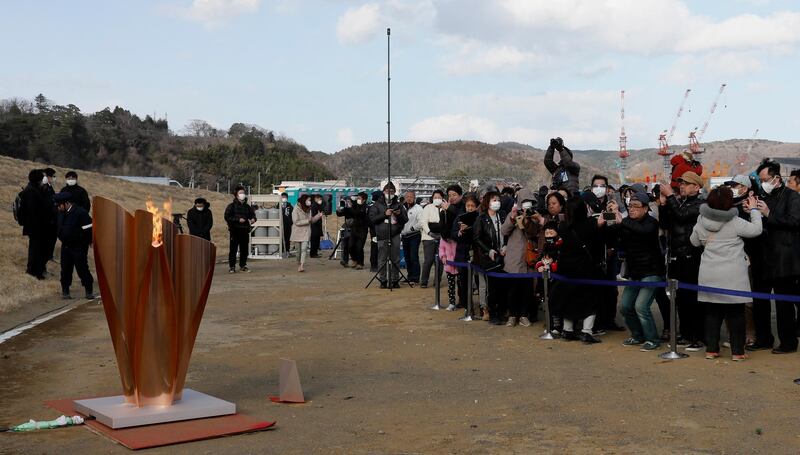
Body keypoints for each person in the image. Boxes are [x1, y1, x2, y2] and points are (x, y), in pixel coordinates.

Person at [690, 186, 762, 361]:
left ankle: (711, 350)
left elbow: (693, 242)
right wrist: (753, 210)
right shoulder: (735, 222)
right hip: (733, 275)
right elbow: (756, 230)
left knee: (712, 313)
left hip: (709, 273)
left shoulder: (701, 219)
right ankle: (737, 352)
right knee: (736, 314)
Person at [748, 159, 800, 354]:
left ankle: (788, 342)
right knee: (759, 302)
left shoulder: (792, 197)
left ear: (777, 178)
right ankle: (764, 339)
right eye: (760, 180)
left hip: (783, 259)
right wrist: (752, 213)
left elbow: (795, 222)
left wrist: (768, 214)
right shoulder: (763, 196)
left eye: (765, 179)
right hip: (762, 257)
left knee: (783, 305)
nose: (763, 183)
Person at [607, 191, 664, 351]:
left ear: (646, 209)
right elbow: (610, 232)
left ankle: (652, 339)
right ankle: (637, 335)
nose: (632, 209)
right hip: (634, 272)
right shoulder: (626, 222)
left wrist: (622, 220)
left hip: (652, 271)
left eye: (636, 206)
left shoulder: (651, 223)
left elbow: (642, 231)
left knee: (641, 306)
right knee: (625, 306)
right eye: (630, 206)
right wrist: (611, 214)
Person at [659, 171, 705, 351]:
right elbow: (665, 224)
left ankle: (698, 336)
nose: (681, 186)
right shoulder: (679, 202)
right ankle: (685, 334)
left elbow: (682, 215)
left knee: (694, 299)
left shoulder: (701, 204)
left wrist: (670, 196)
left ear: (696, 186)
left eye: (686, 183)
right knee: (680, 299)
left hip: (693, 257)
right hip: (676, 257)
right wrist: (663, 205)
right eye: (680, 183)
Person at [551, 195, 602, 344]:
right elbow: (603, 222)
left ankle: (567, 330)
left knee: (569, 298)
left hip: (566, 269)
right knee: (590, 299)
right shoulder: (590, 224)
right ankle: (586, 331)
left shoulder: (562, 226)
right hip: (586, 268)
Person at [501, 188, 539, 327]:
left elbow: (534, 234)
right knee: (512, 290)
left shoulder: (535, 216)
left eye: (530, 202)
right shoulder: (512, 215)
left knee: (527, 290)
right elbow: (504, 231)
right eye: (524, 201)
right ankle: (512, 315)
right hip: (514, 259)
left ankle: (523, 315)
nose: (527, 204)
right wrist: (512, 218)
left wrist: (529, 220)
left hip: (528, 259)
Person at [473, 191, 508, 324]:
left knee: (503, 286)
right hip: (490, 258)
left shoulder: (503, 216)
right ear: (487, 202)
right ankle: (493, 313)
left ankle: (502, 312)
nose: (496, 202)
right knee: (492, 287)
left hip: (504, 255)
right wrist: (489, 251)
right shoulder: (481, 218)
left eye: (498, 199)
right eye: (494, 200)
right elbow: (477, 238)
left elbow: (508, 233)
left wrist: (505, 245)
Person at [53, 192, 96, 300]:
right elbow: (59, 227)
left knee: (82, 268)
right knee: (65, 269)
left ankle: (88, 290)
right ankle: (65, 290)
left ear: (66, 203)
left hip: (79, 246)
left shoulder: (81, 213)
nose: (58, 208)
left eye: (59, 205)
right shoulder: (61, 213)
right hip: (66, 246)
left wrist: (89, 241)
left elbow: (89, 229)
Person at [368, 182, 408, 288]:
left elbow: (405, 219)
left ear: (395, 192)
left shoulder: (399, 204)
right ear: (383, 192)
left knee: (396, 258)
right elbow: (372, 219)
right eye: (387, 191)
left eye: (392, 191)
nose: (389, 193)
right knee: (382, 258)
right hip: (382, 234)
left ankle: (395, 280)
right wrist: (384, 215)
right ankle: (383, 280)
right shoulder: (377, 204)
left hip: (395, 233)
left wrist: (399, 215)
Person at [452, 193, 480, 319]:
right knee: (463, 281)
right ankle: (467, 306)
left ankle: (483, 307)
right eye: (468, 205)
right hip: (462, 253)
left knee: (480, 282)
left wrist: (470, 228)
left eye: (472, 206)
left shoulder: (480, 217)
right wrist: (460, 231)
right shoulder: (459, 217)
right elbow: (452, 234)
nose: (469, 208)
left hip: (478, 253)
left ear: (477, 206)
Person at [19, 169, 51, 279]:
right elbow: (35, 211)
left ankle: (34, 270)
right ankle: (34, 271)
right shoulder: (32, 191)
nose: (44, 179)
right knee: (36, 249)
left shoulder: (33, 189)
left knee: (36, 248)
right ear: (38, 179)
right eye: (42, 177)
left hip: (34, 226)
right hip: (36, 227)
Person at [224, 186, 256, 273]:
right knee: (233, 249)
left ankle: (243, 265)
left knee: (244, 250)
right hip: (234, 231)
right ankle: (232, 266)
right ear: (236, 195)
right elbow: (227, 217)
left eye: (243, 193)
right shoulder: (231, 206)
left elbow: (252, 215)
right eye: (240, 193)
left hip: (245, 230)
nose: (242, 195)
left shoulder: (247, 207)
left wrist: (253, 219)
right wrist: (238, 220)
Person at [420, 190, 445, 289]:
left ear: (443, 198)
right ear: (432, 198)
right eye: (435, 197)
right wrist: (430, 233)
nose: (437, 199)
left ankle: (437, 281)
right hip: (428, 237)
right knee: (428, 260)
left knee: (440, 260)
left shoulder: (445, 208)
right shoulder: (427, 207)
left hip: (442, 237)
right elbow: (423, 222)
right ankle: (424, 281)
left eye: (439, 197)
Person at [291, 194, 323, 272]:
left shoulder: (309, 209)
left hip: (306, 232)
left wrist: (318, 216)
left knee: (304, 249)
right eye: (308, 200)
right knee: (298, 251)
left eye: (310, 200)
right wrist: (307, 221)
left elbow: (311, 220)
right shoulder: (296, 209)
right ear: (303, 200)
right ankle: (298, 263)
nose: (309, 202)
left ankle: (302, 265)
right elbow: (296, 222)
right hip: (297, 232)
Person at [341, 192, 369, 270]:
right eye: (357, 198)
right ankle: (354, 259)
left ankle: (360, 263)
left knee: (359, 247)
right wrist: (342, 207)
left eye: (359, 198)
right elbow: (346, 213)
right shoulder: (354, 206)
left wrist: (351, 207)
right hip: (354, 229)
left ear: (364, 200)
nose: (358, 200)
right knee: (350, 246)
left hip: (363, 230)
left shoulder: (365, 207)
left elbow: (358, 213)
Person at [401, 191, 423, 283]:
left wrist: (413, 228)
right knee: (407, 257)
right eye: (407, 196)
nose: (409, 198)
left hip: (414, 235)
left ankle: (416, 277)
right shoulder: (401, 207)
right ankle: (409, 276)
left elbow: (421, 222)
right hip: (404, 236)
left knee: (413, 256)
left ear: (414, 198)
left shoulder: (419, 208)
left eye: (411, 196)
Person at [335, 195, 357, 267]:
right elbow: (339, 214)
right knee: (345, 245)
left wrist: (350, 206)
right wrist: (339, 208)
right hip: (347, 227)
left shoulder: (356, 207)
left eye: (348, 201)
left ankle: (355, 260)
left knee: (352, 246)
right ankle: (344, 261)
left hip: (355, 228)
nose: (347, 203)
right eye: (346, 201)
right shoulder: (346, 208)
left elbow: (354, 213)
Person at [42, 168, 58, 264]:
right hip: (48, 218)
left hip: (52, 217)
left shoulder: (49, 187)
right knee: (48, 238)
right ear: (48, 177)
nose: (54, 178)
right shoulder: (44, 187)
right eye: (53, 176)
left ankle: (49, 255)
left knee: (52, 238)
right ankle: (47, 255)